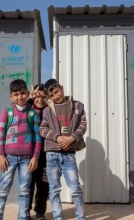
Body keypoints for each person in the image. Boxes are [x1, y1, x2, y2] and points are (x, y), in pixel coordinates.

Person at [0, 79, 42, 220]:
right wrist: (1, 155)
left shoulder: (33, 114)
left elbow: (38, 138)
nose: (20, 97)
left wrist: (35, 157)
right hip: (9, 158)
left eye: (22, 93)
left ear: (27, 94)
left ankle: (23, 217)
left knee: (24, 190)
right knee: (3, 188)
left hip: (28, 159)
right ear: (11, 97)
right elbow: (0, 134)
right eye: (16, 94)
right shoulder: (7, 112)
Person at [40, 79, 87, 220]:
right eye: (52, 95)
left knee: (75, 189)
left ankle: (81, 217)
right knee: (54, 190)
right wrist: (58, 138)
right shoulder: (47, 110)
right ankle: (58, 217)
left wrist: (71, 139)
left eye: (57, 92)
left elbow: (83, 125)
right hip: (51, 155)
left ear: (61, 88)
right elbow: (42, 129)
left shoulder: (77, 106)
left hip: (69, 155)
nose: (56, 96)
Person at [27, 84, 49, 220]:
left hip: (46, 155)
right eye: (37, 96)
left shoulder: (50, 111)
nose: (40, 99)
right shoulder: (28, 110)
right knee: (28, 184)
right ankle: (26, 211)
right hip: (30, 155)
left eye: (44, 97)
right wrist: (30, 98)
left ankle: (40, 212)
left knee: (43, 185)